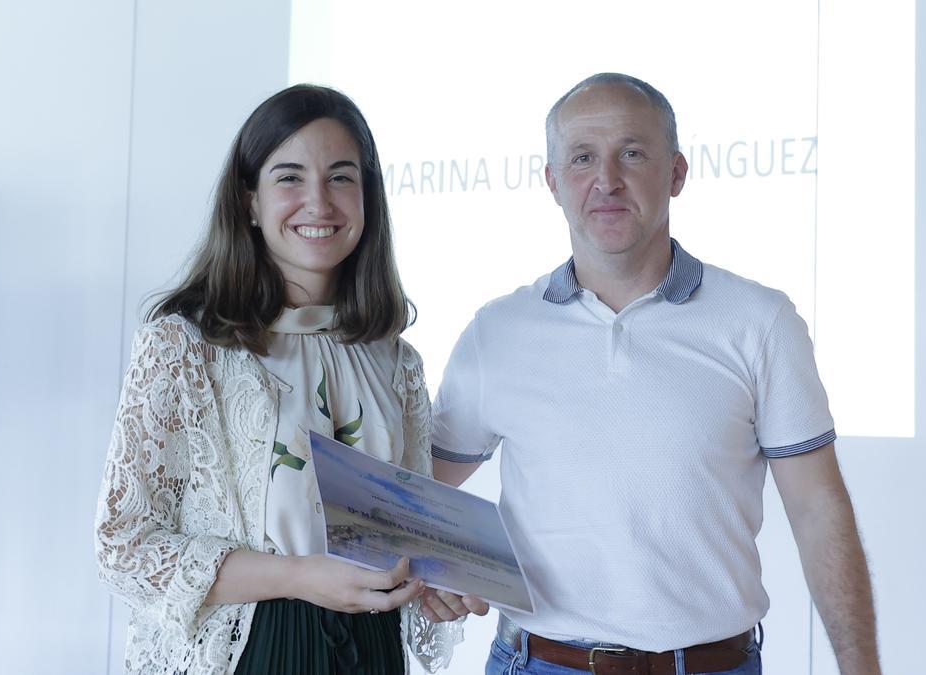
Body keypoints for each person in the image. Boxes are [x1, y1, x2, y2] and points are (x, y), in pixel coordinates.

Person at [423, 73, 882, 674]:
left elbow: (819, 510)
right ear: (553, 183)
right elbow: (419, 487)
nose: (606, 179)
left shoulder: (760, 321)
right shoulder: (498, 331)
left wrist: (862, 668)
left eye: (632, 153)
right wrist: (430, 570)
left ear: (676, 173)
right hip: (537, 664)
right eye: (582, 158)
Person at [93, 84, 464, 675]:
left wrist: (439, 581)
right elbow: (124, 545)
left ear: (368, 198)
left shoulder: (396, 359)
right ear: (249, 202)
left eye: (342, 177)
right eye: (289, 177)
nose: (319, 203)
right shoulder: (184, 346)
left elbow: (404, 537)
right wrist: (299, 576)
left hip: (370, 651)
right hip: (250, 650)